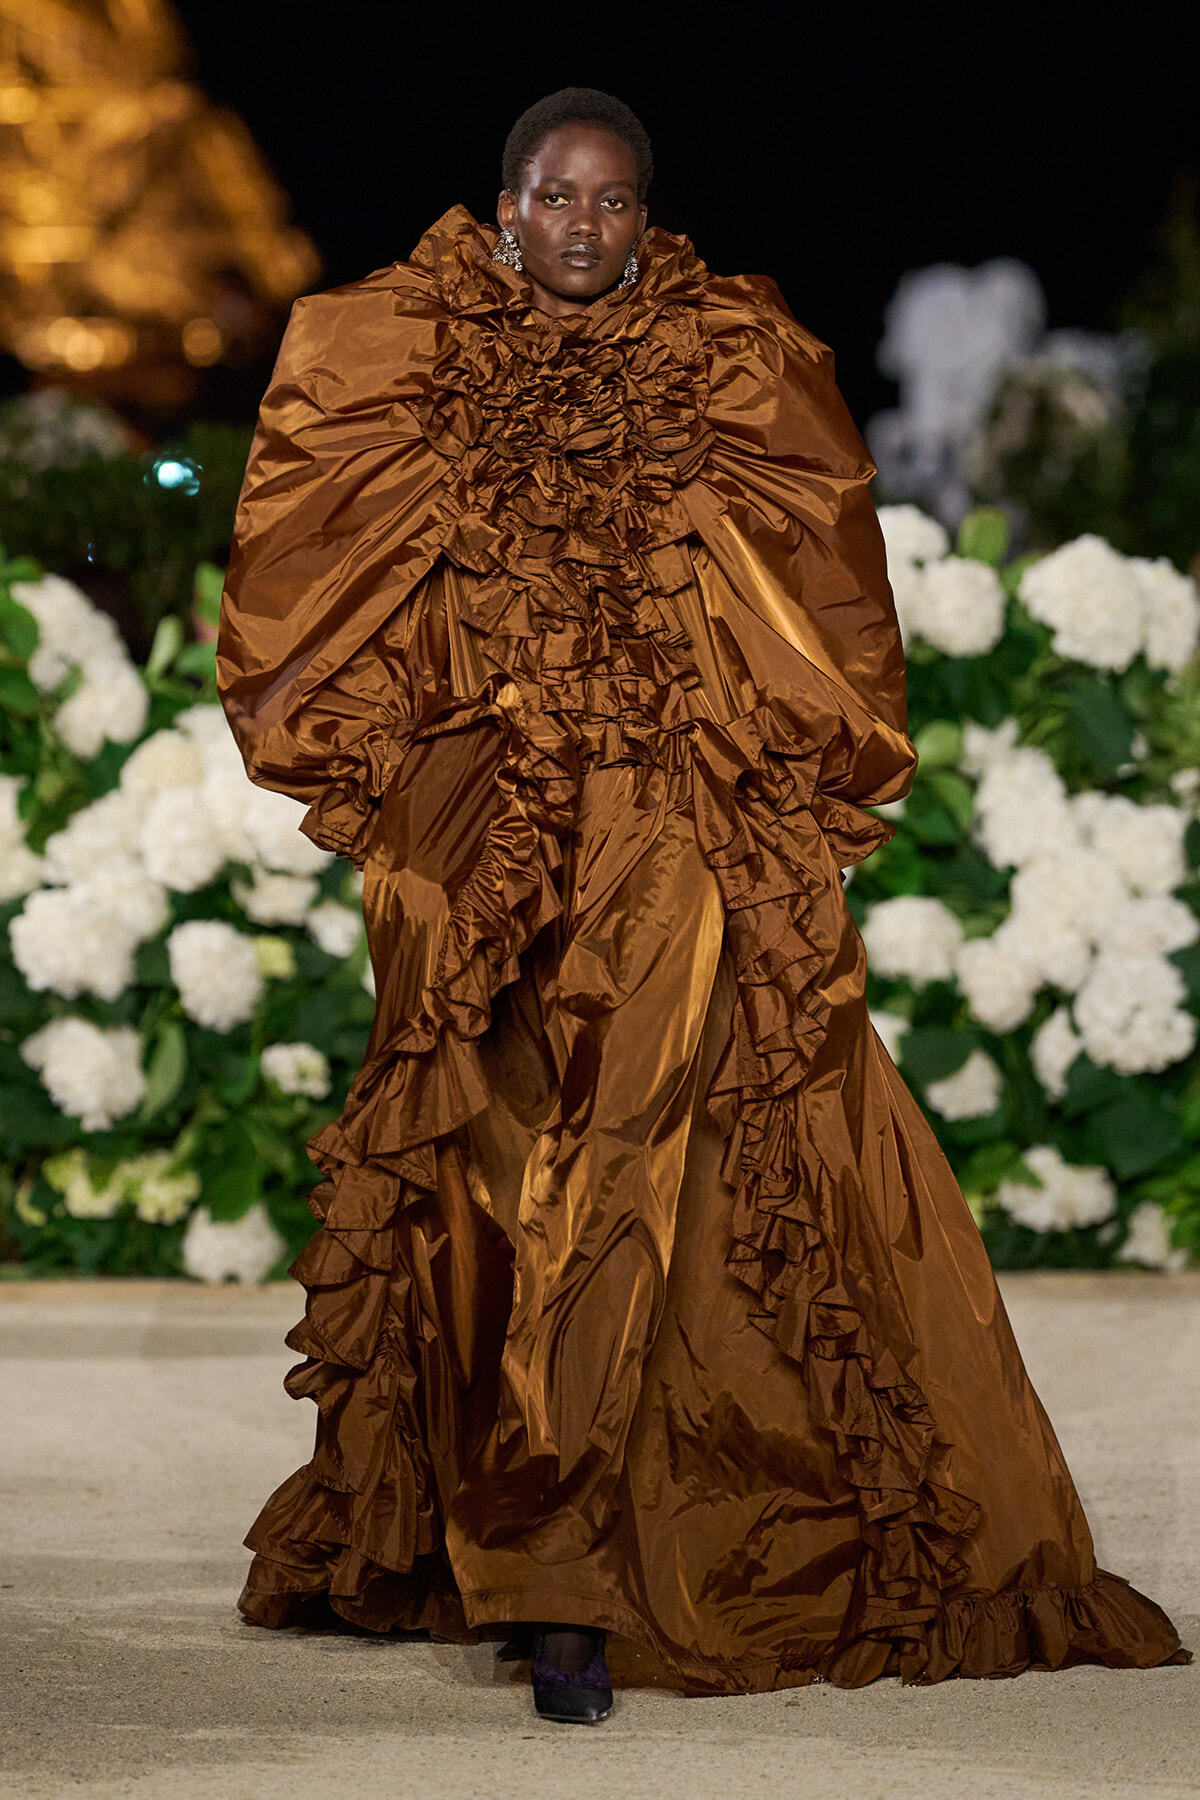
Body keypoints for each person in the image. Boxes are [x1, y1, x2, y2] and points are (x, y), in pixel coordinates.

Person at [217, 87, 1188, 1725]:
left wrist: (767, 764)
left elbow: (825, 580)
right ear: (505, 202)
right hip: (482, 828)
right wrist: (407, 764)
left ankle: (569, 1577)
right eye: (555, 194)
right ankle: (469, 1534)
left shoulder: (732, 360)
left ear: (644, 217)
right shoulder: (390, 350)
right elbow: (301, 578)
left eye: (613, 201)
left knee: (635, 1147)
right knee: (488, 1160)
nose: (585, 223)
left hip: (670, 813)